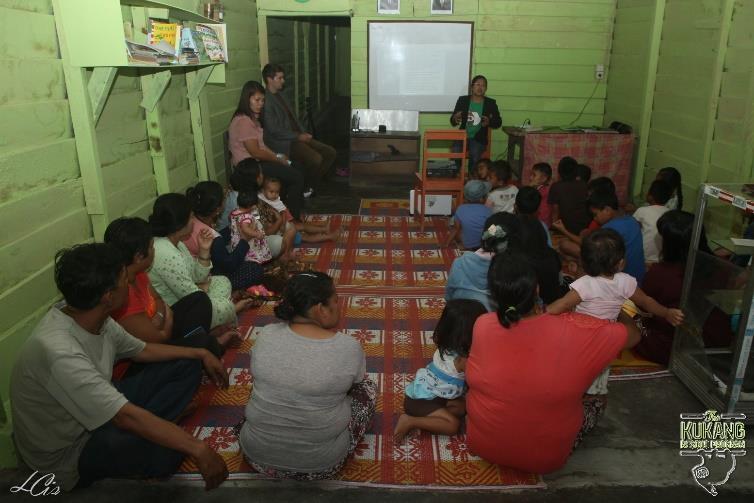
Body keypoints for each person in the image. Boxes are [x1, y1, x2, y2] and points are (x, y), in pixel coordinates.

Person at [10, 243, 229, 491]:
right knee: (170, 453)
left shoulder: (94, 316)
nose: (131, 283)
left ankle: (157, 426)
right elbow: (123, 416)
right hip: (70, 453)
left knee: (188, 360)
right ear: (108, 296)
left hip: (103, 411)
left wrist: (199, 352)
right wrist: (197, 447)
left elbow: (143, 350)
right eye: (126, 279)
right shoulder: (58, 351)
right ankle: (155, 431)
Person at [465, 250, 641, 474]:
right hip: (546, 459)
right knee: (596, 398)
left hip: (483, 445)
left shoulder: (482, 324)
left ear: (492, 293)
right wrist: (617, 308)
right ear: (536, 288)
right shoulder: (578, 330)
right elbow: (633, 336)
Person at [240, 272, 376, 479]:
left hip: (255, 456)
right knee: (367, 388)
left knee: (271, 383)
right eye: (336, 301)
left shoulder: (266, 333)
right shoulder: (347, 347)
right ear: (320, 309)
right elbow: (355, 383)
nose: (339, 307)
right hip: (319, 465)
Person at [547, 229, 684, 394]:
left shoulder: (585, 284)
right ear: (620, 263)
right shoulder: (625, 282)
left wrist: (542, 314)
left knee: (575, 360)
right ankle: (597, 389)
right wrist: (667, 313)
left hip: (581, 334)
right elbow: (646, 302)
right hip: (607, 337)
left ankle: (572, 384)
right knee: (600, 364)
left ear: (584, 261)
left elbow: (561, 305)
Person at [104, 217, 223, 358]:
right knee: (204, 343)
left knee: (199, 299)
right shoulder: (122, 293)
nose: (154, 250)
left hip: (161, 326)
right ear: (138, 257)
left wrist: (159, 317)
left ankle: (197, 343)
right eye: (151, 246)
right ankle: (201, 347)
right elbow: (160, 338)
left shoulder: (139, 273)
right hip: (150, 350)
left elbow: (159, 299)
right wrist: (164, 320)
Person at [634, 211, 732, 364]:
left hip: (679, 344)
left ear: (670, 244)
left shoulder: (661, 273)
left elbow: (646, 306)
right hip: (716, 341)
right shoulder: (721, 267)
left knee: (629, 325)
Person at [148, 193, 252, 331]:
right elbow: (193, 298)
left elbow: (198, 277)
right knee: (226, 306)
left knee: (222, 281)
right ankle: (226, 312)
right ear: (180, 223)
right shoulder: (165, 252)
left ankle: (215, 318)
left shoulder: (177, 243)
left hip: (194, 297)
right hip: (178, 311)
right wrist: (234, 308)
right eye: (191, 217)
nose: (193, 221)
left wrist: (204, 251)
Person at [394, 299, 487, 441]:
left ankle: (433, 420)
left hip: (439, 397)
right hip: (420, 402)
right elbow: (477, 383)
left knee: (463, 407)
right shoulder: (464, 359)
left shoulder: (449, 345)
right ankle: (410, 420)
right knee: (453, 426)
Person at [228, 80, 305, 220]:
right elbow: (255, 152)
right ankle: (292, 218)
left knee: (295, 166)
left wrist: (279, 155)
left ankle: (283, 210)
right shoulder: (244, 121)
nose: (260, 104)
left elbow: (262, 147)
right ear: (247, 99)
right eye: (257, 100)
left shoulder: (252, 119)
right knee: (295, 177)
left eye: (263, 100)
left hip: (256, 163)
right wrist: (279, 160)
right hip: (248, 168)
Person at [262, 63, 337, 191]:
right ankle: (306, 187)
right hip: (285, 142)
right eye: (279, 78)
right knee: (315, 159)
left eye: (282, 77)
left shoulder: (282, 95)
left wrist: (304, 133)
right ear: (269, 79)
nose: (283, 81)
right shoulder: (266, 101)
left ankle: (310, 184)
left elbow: (294, 119)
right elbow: (274, 130)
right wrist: (298, 136)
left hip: (297, 136)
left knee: (330, 152)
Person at [184, 181, 264, 292]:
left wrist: (233, 228)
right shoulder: (212, 237)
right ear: (217, 209)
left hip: (197, 269)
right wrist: (245, 241)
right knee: (255, 269)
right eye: (223, 199)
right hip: (208, 276)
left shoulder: (190, 220)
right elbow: (228, 265)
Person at [445, 212, 522, 311]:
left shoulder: (460, 262)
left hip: (460, 319)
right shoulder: (515, 271)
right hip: (492, 322)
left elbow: (448, 297)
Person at [588, 190, 646, 284]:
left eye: (595, 214)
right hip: (640, 279)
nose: (594, 218)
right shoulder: (632, 220)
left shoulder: (608, 229)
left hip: (623, 284)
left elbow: (597, 259)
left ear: (607, 210)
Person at [259, 177, 339, 243]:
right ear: (263, 191)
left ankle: (325, 230)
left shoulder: (277, 202)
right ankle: (329, 235)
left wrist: (283, 225)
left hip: (283, 228)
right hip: (279, 231)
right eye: (271, 192)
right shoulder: (260, 197)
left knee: (303, 227)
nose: (274, 195)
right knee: (305, 237)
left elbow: (283, 213)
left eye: (277, 192)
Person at [450, 75, 502, 167]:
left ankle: (472, 178)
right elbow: (453, 121)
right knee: (455, 150)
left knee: (474, 153)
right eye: (477, 84)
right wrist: (455, 118)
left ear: (486, 89)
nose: (480, 87)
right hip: (463, 136)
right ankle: (456, 175)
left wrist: (489, 122)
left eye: (483, 85)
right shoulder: (463, 100)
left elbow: (498, 122)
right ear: (472, 87)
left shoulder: (490, 103)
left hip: (479, 138)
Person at [229, 190, 273, 265]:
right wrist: (256, 234)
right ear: (251, 205)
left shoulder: (234, 213)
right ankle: (254, 267)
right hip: (249, 242)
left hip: (237, 241)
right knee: (252, 258)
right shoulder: (246, 216)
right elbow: (245, 228)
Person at [633, 179, 672, 264]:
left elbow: (633, 230)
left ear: (650, 196)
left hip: (643, 257)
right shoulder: (671, 214)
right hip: (661, 259)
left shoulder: (642, 211)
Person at [444, 180, 492, 249]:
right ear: (482, 199)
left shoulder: (460, 209)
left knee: (456, 226)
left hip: (466, 244)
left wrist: (446, 244)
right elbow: (492, 230)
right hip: (482, 245)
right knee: (495, 229)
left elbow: (455, 229)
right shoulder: (487, 211)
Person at [548, 156, 590, 234]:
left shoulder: (556, 187)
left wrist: (554, 227)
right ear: (576, 172)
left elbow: (555, 211)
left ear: (559, 172)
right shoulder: (584, 185)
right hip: (585, 225)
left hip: (566, 227)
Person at [530, 162, 552, 226]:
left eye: (534, 175)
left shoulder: (543, 192)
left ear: (543, 178)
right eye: (531, 174)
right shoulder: (538, 189)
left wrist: (529, 187)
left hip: (542, 224)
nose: (531, 178)